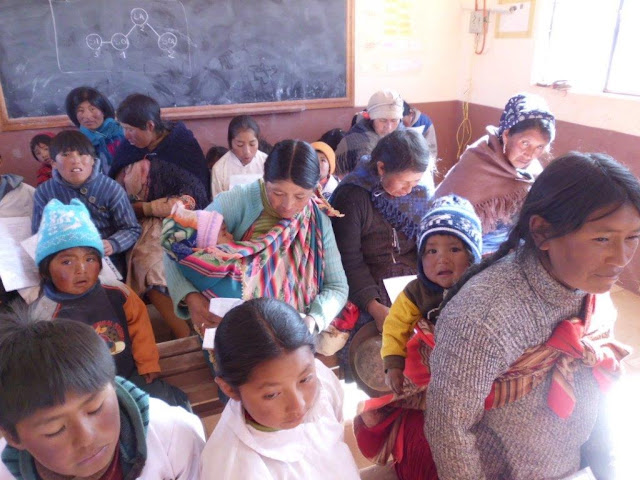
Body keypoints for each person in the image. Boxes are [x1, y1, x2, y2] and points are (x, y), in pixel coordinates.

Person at [424, 152, 640, 480]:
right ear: (541, 232)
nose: (621, 258)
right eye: (602, 239)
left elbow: (598, 391)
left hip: (574, 463)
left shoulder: (593, 290)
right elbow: (449, 428)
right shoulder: (482, 318)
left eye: (633, 238)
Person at [353, 195, 482, 480]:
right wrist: (393, 364)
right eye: (431, 251)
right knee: (390, 392)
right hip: (426, 359)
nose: (442, 259)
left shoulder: (482, 287)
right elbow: (395, 326)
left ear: (473, 254)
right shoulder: (416, 292)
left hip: (471, 366)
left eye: (455, 249)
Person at [164, 140, 348, 338]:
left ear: (314, 190)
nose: (287, 205)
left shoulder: (318, 221)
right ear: (264, 179)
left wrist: (312, 320)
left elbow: (337, 286)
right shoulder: (237, 201)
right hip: (236, 328)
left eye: (300, 196)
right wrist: (191, 298)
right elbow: (174, 248)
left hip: (293, 333)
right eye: (277, 193)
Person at [0, 313, 205, 480]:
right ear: (12, 436)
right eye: (55, 430)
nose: (86, 438)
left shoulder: (174, 435)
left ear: (113, 387)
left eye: (95, 408)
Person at [30, 198, 189, 409]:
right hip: (85, 393)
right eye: (67, 261)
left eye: (90, 259)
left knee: (171, 404)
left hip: (129, 373)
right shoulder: (44, 315)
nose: (81, 269)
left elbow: (139, 327)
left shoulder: (117, 292)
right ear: (45, 270)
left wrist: (147, 362)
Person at [200, 298, 360, 480]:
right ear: (229, 389)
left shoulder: (321, 378)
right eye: (272, 394)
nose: (298, 405)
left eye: (305, 379)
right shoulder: (233, 469)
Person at [110, 93, 210, 338]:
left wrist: (145, 208)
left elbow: (192, 198)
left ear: (150, 126)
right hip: (133, 222)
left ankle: (192, 333)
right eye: (123, 128)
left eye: (131, 129)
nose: (126, 136)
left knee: (164, 263)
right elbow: (112, 187)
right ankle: (174, 335)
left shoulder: (182, 146)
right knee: (135, 262)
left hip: (180, 220)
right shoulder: (129, 148)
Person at [330, 129, 435, 332]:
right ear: (381, 168)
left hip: (411, 283)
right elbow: (349, 260)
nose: (410, 190)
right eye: (404, 182)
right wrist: (374, 306)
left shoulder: (420, 193)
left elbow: (427, 246)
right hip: (367, 287)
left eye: (415, 182)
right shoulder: (353, 196)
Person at [434, 92, 555, 254]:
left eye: (539, 147)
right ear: (506, 135)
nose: (530, 154)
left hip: (511, 253)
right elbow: (445, 226)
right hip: (469, 253)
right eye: (525, 143)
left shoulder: (533, 170)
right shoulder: (476, 164)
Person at [31, 130, 140, 277]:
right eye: (66, 155)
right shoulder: (44, 192)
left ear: (93, 160)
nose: (75, 160)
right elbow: (39, 234)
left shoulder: (111, 188)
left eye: (82, 154)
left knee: (107, 292)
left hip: (105, 257)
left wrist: (112, 244)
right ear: (53, 163)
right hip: (63, 258)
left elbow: (131, 229)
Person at [335, 90, 404, 179]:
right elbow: (372, 178)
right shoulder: (360, 141)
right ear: (371, 118)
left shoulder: (400, 130)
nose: (389, 127)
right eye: (383, 120)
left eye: (394, 120)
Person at [65, 86, 125, 173]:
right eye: (81, 111)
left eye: (92, 109)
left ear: (103, 110)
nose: (87, 116)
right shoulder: (77, 142)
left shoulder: (122, 132)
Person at [210, 115, 267, 198]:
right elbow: (217, 204)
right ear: (230, 143)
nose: (247, 151)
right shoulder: (220, 169)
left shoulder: (267, 162)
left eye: (252, 144)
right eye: (240, 145)